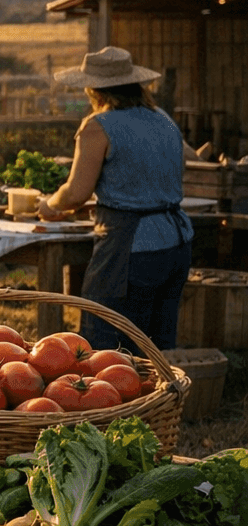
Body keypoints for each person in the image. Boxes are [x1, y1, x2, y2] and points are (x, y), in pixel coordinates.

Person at [37, 46, 194, 350]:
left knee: (109, 341)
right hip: (177, 240)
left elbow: (77, 192)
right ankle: (162, 397)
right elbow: (176, 167)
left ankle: (117, 398)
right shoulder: (161, 118)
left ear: (94, 88)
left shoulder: (98, 126)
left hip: (131, 247)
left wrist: (49, 205)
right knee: (158, 343)